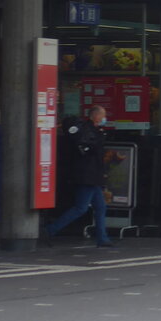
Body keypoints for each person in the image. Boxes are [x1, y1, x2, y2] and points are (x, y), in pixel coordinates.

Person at [44, 105, 112, 247]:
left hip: (91, 176)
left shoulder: (92, 131)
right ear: (96, 116)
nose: (104, 118)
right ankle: (50, 230)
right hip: (88, 176)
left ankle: (102, 238)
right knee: (81, 208)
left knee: (100, 207)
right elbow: (92, 152)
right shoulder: (89, 132)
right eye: (103, 115)